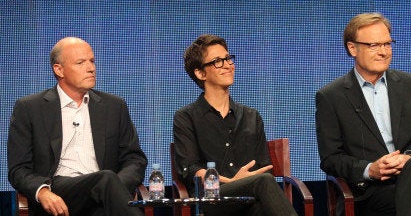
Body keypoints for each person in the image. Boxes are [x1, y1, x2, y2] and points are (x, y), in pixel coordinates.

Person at [316, 12, 411, 216]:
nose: (383, 52)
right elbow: (331, 158)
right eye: (374, 45)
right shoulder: (331, 96)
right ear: (352, 48)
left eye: (387, 44)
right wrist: (370, 169)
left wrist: (409, 157)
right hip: (373, 192)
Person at [7, 37, 147, 216]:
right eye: (81, 63)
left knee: (105, 184)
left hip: (104, 193)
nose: (91, 68)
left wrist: (114, 189)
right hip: (59, 192)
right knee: (105, 179)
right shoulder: (30, 108)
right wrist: (42, 191)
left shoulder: (114, 106)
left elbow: (134, 159)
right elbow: (18, 169)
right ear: (59, 69)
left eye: (92, 61)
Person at [173, 34, 296, 216]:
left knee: (263, 202)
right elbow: (190, 169)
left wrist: (245, 183)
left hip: (250, 200)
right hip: (212, 200)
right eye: (217, 61)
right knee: (262, 183)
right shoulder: (186, 117)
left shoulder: (251, 116)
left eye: (228, 58)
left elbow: (264, 168)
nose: (228, 65)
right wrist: (232, 182)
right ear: (200, 73)